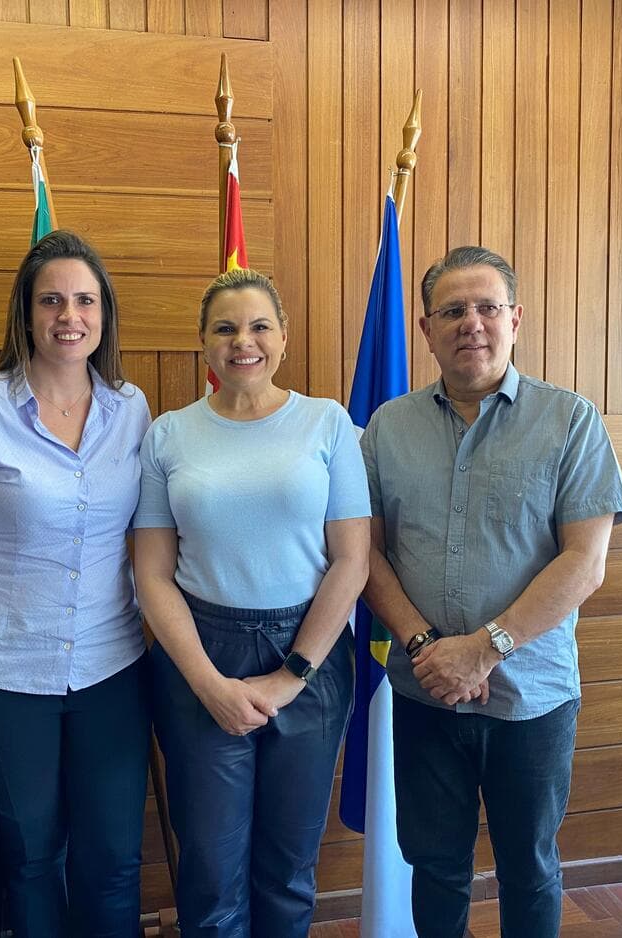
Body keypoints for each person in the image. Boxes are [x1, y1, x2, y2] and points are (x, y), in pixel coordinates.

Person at [360, 246, 622, 938]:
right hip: (425, 693)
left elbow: (585, 562)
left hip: (533, 697)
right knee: (435, 864)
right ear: (425, 329)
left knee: (530, 866)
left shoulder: (570, 421)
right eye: (452, 310)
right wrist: (428, 648)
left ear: (516, 320)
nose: (471, 323)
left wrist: (485, 650)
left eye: (487, 307)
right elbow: (361, 552)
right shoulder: (387, 428)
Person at [0, 230, 152, 937]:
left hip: (113, 669)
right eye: (51, 300)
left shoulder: (130, 409)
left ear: (103, 315)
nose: (68, 316)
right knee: (32, 859)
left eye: (83, 300)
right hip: (2, 677)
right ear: (26, 313)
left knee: (114, 860)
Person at [133, 268, 370, 937]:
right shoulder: (168, 434)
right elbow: (152, 575)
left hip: (312, 655)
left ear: (284, 338)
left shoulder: (328, 424)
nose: (245, 341)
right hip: (199, 652)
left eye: (260, 325)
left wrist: (291, 675)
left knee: (288, 868)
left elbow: (351, 561)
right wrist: (207, 683)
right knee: (209, 870)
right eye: (226, 328)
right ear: (203, 345)